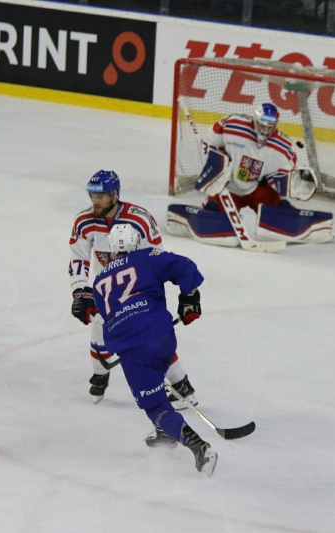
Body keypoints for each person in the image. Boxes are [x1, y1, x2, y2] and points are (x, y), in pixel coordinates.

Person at [91, 223, 217, 476]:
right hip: (164, 337)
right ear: (137, 243)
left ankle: (200, 448)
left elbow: (107, 318)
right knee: (156, 376)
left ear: (111, 250)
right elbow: (185, 266)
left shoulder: (99, 281)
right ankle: (164, 434)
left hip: (135, 349)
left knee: (155, 405)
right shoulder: (147, 257)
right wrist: (189, 296)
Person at [69, 170, 197, 408]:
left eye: (102, 196)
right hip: (108, 291)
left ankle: (182, 386)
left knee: (152, 338)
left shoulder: (139, 220)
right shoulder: (84, 221)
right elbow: (79, 258)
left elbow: (155, 260)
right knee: (98, 330)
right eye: (92, 196)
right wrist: (81, 291)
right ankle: (100, 375)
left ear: (115, 194)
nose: (95, 201)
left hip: (139, 291)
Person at [198, 102, 317, 213]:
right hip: (227, 187)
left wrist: (275, 180)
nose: (265, 132)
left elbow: (289, 165)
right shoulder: (233, 126)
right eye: (262, 126)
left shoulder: (282, 146)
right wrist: (220, 161)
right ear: (255, 120)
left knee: (278, 211)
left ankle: (285, 215)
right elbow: (210, 140)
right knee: (214, 212)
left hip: (256, 189)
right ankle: (214, 210)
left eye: (270, 128)